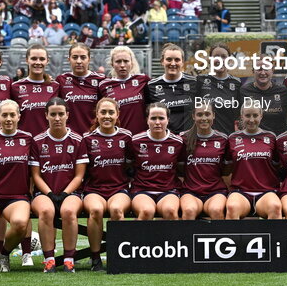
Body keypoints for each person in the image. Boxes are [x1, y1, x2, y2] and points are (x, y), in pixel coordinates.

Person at [0, 100, 39, 273]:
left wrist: (31, 190)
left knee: (20, 223)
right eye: (4, 115)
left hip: (17, 196)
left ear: (19, 116)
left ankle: (4, 254)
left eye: (12, 115)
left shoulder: (27, 138)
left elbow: (33, 169)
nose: (8, 118)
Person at [31, 99, 87, 273]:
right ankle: (49, 260)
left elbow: (79, 176)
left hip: (71, 193)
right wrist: (49, 194)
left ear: (67, 115)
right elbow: (35, 175)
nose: (57, 118)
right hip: (43, 193)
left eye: (61, 114)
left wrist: (63, 194)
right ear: (46, 115)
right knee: (47, 211)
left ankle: (69, 259)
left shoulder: (78, 140)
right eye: (53, 114)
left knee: (68, 212)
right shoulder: (38, 140)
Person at [81, 98, 134, 271]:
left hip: (119, 189)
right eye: (103, 112)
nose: (107, 116)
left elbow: (133, 165)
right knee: (95, 211)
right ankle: (95, 258)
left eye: (111, 112)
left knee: (117, 211)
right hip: (94, 190)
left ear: (117, 114)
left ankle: (117, 256)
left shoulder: (126, 137)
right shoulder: (87, 138)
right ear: (96, 115)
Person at [224, 105, 282, 220]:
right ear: (242, 117)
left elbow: (278, 166)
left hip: (266, 191)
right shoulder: (232, 138)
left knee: (275, 207)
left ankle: (274, 238)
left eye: (255, 115)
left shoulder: (271, 137)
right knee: (231, 207)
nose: (251, 120)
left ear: (261, 116)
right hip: (240, 192)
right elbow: (227, 169)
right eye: (247, 115)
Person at [130, 104, 184, 220]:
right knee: (146, 211)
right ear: (147, 120)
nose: (157, 122)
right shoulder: (135, 141)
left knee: (170, 211)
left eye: (161, 118)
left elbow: (182, 169)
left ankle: (171, 239)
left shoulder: (178, 142)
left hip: (168, 190)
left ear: (168, 120)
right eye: (153, 118)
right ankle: (139, 238)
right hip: (142, 190)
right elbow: (126, 165)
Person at [180, 103, 228, 220]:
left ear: (213, 116)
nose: (204, 118)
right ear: (193, 116)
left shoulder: (223, 139)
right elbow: (179, 169)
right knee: (189, 210)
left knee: (216, 210)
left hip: (216, 191)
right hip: (190, 192)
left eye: (207, 114)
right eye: (200, 114)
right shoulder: (183, 138)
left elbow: (227, 171)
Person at [148, 44, 199, 133]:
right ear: (162, 61)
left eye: (177, 60)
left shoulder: (194, 83)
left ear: (182, 62)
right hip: (165, 139)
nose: (173, 63)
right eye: (169, 59)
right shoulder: (151, 86)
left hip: (189, 138)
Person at [98, 46, 150, 133]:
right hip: (117, 138)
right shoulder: (103, 85)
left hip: (140, 137)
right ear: (112, 64)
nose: (122, 65)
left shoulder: (142, 80)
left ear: (132, 63)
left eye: (126, 61)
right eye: (118, 61)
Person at [55, 43, 103, 135]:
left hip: (94, 136)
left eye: (83, 57)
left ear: (89, 59)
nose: (79, 61)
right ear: (69, 59)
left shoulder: (100, 80)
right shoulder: (61, 80)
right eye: (75, 57)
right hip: (70, 137)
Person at [195, 44, 242, 135]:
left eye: (224, 56)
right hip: (205, 138)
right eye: (216, 56)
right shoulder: (200, 81)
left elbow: (239, 114)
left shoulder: (236, 83)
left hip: (228, 137)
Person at [239, 60, 287, 134]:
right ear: (253, 71)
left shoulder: (283, 90)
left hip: (278, 139)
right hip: (255, 139)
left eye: (266, 69)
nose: (263, 73)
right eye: (259, 69)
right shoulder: (244, 91)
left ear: (272, 71)